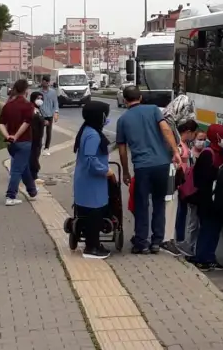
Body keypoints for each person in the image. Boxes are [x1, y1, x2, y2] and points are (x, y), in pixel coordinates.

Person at [116, 86, 182, 255]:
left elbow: (122, 150)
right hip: (162, 164)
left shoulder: (122, 120)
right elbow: (166, 129)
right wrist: (175, 151)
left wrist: (125, 171)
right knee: (159, 201)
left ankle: (141, 243)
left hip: (142, 167)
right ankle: (156, 242)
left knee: (142, 204)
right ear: (141, 97)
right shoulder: (154, 110)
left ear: (125, 100)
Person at [72, 101, 113, 259]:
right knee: (94, 215)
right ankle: (91, 248)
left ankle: (94, 244)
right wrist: (106, 171)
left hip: (89, 181)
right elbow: (90, 159)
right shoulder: (92, 134)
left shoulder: (88, 130)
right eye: (105, 115)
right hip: (91, 181)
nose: (106, 119)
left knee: (92, 213)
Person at [188, 123, 223, 271]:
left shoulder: (221, 153)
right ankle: (201, 258)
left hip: (217, 200)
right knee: (207, 229)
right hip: (207, 200)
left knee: (215, 230)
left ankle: (210, 257)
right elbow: (201, 179)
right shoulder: (208, 154)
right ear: (216, 137)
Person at [159, 95, 197, 256]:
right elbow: (171, 151)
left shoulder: (170, 125)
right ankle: (165, 240)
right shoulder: (168, 127)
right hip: (169, 174)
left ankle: (168, 238)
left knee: (171, 207)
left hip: (172, 175)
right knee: (169, 206)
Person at [0, 79, 39, 206]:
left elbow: (1, 123)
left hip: (11, 144)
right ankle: (11, 196)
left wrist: (8, 136)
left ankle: (32, 191)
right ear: (26, 90)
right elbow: (26, 123)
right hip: (24, 142)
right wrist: (16, 136)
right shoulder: (28, 106)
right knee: (16, 169)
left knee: (23, 166)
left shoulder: (8, 105)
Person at [177, 129, 208, 256]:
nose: (202, 142)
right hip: (192, 192)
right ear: (194, 139)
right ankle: (188, 246)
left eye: (204, 139)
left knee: (200, 221)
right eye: (200, 139)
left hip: (202, 193)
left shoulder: (207, 153)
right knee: (193, 221)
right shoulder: (190, 154)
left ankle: (194, 246)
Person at [169, 119, 198, 256]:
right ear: (188, 132)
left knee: (181, 211)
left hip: (182, 182)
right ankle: (179, 239)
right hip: (179, 183)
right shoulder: (179, 143)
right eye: (194, 134)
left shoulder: (182, 142)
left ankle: (178, 238)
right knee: (180, 212)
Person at [39, 75, 59, 156]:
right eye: (44, 82)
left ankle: (46, 148)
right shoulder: (38, 92)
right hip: (41, 115)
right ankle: (39, 147)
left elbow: (56, 103)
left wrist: (56, 113)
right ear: (42, 82)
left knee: (48, 132)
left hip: (49, 115)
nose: (46, 84)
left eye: (47, 82)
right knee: (40, 132)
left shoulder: (53, 92)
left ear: (49, 82)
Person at [28, 91, 46, 183]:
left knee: (35, 155)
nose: (40, 100)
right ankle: (33, 176)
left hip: (38, 137)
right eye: (38, 98)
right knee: (33, 156)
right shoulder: (32, 110)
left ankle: (32, 174)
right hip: (33, 137)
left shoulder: (38, 109)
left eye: (41, 98)